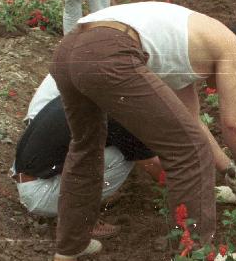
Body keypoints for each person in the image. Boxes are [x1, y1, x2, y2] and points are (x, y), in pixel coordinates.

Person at [49, 2, 236, 261]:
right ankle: (195, 258)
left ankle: (71, 245)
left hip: (69, 49)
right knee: (188, 151)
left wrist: (228, 170)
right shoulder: (230, 45)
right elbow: (232, 122)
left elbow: (192, 123)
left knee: (85, 146)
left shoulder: (185, 50)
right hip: (110, 48)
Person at [12, 75, 163, 238]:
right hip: (40, 193)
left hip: (27, 176)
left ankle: (74, 204)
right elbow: (155, 169)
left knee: (115, 148)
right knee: (124, 157)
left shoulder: (92, 94)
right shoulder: (120, 115)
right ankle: (79, 221)